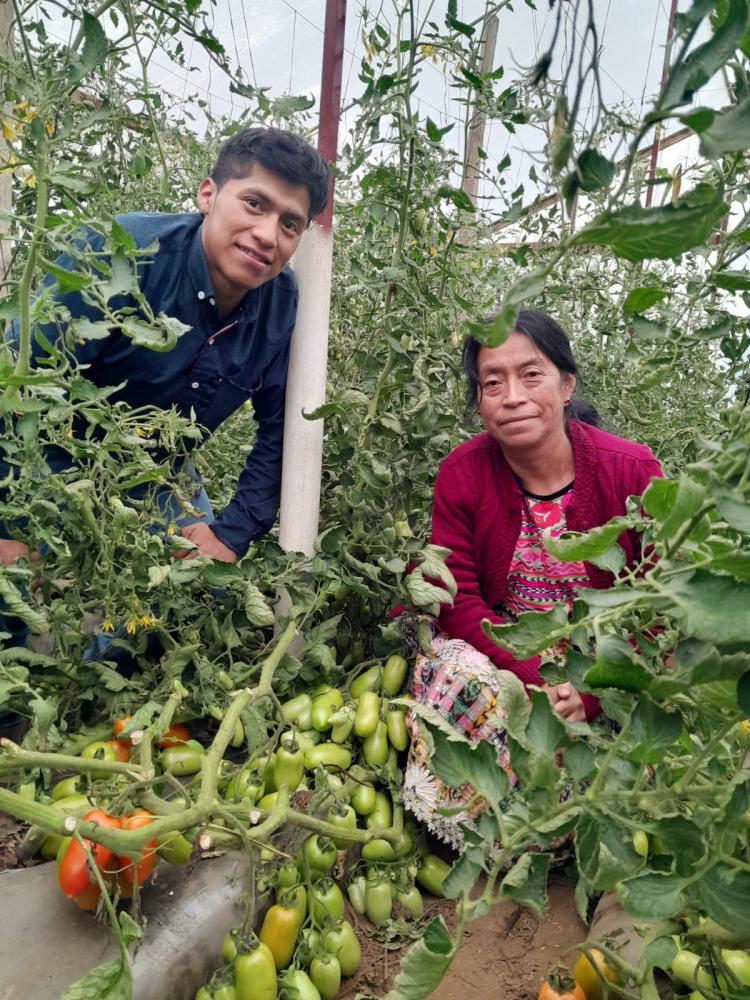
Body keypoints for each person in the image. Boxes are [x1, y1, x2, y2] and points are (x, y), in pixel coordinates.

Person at [0, 127, 330, 571]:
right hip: (49, 451)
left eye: (290, 224)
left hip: (158, 472)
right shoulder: (119, 252)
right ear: (207, 195)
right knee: (13, 588)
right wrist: (7, 524)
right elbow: (13, 381)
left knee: (194, 588)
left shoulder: (282, 307)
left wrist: (229, 533)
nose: (268, 235)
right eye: (255, 204)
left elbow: (281, 430)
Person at [403, 308, 663, 848]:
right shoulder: (464, 472)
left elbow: (658, 608)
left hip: (606, 661)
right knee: (456, 678)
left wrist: (591, 690)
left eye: (531, 374)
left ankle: (551, 835)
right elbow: (458, 598)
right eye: (492, 382)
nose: (512, 395)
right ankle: (473, 834)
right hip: (506, 656)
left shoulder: (632, 470)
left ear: (566, 385)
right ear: (479, 402)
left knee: (635, 747)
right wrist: (530, 674)